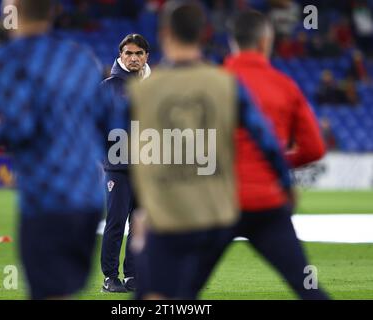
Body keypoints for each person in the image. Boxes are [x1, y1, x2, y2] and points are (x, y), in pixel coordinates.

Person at [0, 0, 120, 300]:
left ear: (11, 12)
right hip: (89, 200)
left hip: (47, 199)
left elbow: (21, 127)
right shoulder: (81, 58)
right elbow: (110, 123)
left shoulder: (8, 58)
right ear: (52, 11)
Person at [129, 0, 293, 300]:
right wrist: (285, 185)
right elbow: (266, 140)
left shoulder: (141, 91)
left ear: (164, 33)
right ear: (204, 34)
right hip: (214, 212)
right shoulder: (226, 83)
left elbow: (119, 147)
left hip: (168, 212)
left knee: (153, 294)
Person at [223, 10, 329, 299]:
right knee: (306, 285)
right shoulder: (285, 85)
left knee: (177, 289)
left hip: (219, 203)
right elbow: (314, 148)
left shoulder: (212, 82)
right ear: (266, 41)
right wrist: (279, 162)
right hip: (269, 205)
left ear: (232, 41)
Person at [100, 33, 151, 293]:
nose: (133, 58)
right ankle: (110, 276)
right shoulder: (109, 86)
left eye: (138, 53)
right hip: (118, 169)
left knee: (140, 225)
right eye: (128, 53)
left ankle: (132, 276)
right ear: (120, 56)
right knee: (116, 222)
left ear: (146, 57)